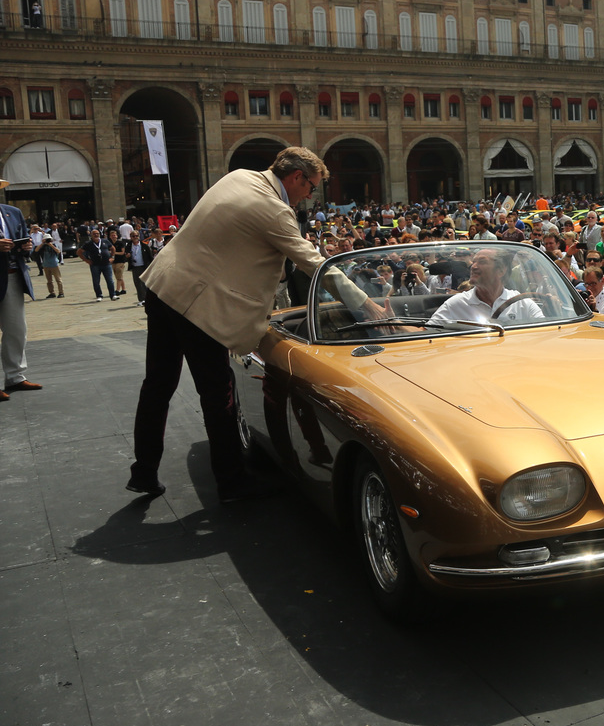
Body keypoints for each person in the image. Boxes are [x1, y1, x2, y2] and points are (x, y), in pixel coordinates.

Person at [130, 148, 383, 502]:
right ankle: (232, 482)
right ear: (296, 177)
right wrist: (366, 304)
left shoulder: (239, 177)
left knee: (157, 384)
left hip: (164, 285)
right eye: (311, 188)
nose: (310, 196)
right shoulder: (273, 208)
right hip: (198, 304)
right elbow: (314, 263)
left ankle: (143, 471)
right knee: (218, 394)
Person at [427, 249, 543, 327]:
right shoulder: (457, 303)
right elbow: (426, 332)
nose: (473, 267)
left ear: (501, 270)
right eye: (474, 262)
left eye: (482, 262)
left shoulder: (521, 303)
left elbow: (544, 333)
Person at [0, 190, 39, 402]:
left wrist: (27, 247)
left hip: (13, 276)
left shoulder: (12, 212)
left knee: (16, 329)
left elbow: (25, 246)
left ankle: (15, 376)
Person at [80, 227, 119, 301]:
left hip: (106, 264)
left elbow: (113, 248)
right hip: (95, 265)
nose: (96, 235)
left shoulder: (105, 241)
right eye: (94, 234)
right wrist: (86, 260)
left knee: (110, 280)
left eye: (97, 233)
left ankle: (113, 295)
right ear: (91, 235)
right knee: (96, 281)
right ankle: (99, 295)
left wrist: (112, 257)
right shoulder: (88, 243)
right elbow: (79, 252)